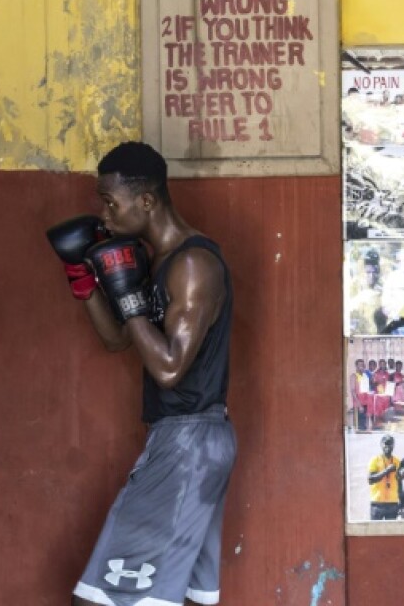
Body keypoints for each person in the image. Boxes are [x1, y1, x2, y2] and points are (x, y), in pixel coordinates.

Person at [55, 142, 236, 606]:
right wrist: (85, 280)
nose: (104, 215)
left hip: (187, 442)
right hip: (191, 440)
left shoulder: (194, 265)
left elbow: (170, 368)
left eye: (111, 202)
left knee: (101, 601)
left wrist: (129, 297)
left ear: (148, 201)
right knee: (188, 596)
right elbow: (120, 340)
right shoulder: (160, 264)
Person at [367, 435, 400, 521]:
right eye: (386, 444)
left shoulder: (397, 461)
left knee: (391, 532)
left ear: (393, 445)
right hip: (377, 503)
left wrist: (401, 501)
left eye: (390, 444)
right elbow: (370, 479)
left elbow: (399, 482)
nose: (388, 446)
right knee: (375, 531)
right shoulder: (375, 460)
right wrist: (387, 470)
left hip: (393, 503)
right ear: (381, 445)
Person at [350, 358, 373, 430]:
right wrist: (359, 405)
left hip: (366, 403)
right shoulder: (354, 376)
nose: (362, 366)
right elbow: (353, 391)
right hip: (359, 404)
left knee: (366, 425)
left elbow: (368, 389)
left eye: (363, 365)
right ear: (356, 366)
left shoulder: (365, 376)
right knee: (359, 426)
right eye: (360, 365)